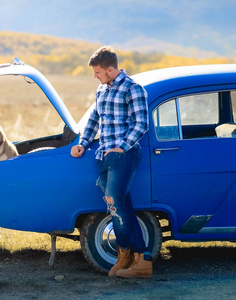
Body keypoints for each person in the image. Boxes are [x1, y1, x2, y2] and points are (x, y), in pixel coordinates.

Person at [70, 46, 151, 278]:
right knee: (118, 206)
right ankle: (138, 259)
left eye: (97, 72)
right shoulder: (101, 89)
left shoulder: (133, 89)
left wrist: (121, 147)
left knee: (116, 204)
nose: (94, 76)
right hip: (104, 156)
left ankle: (131, 255)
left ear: (110, 69)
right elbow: (95, 119)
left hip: (124, 155)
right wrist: (83, 143)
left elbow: (141, 123)